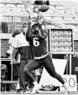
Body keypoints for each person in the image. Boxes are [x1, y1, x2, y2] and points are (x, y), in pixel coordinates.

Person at [23, 22, 68, 94]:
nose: (36, 28)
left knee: (53, 74)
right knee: (26, 69)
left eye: (37, 27)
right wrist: (29, 25)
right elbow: (26, 37)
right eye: (34, 27)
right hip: (37, 60)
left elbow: (43, 36)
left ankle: (66, 86)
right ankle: (36, 84)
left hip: (45, 58)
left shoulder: (43, 33)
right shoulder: (31, 37)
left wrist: (40, 25)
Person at [6, 23, 34, 93]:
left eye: (27, 27)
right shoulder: (18, 36)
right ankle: (22, 88)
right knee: (21, 72)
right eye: (24, 27)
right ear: (22, 28)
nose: (25, 29)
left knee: (29, 71)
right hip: (21, 55)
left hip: (30, 54)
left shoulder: (33, 36)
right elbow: (13, 46)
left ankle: (31, 85)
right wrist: (10, 54)